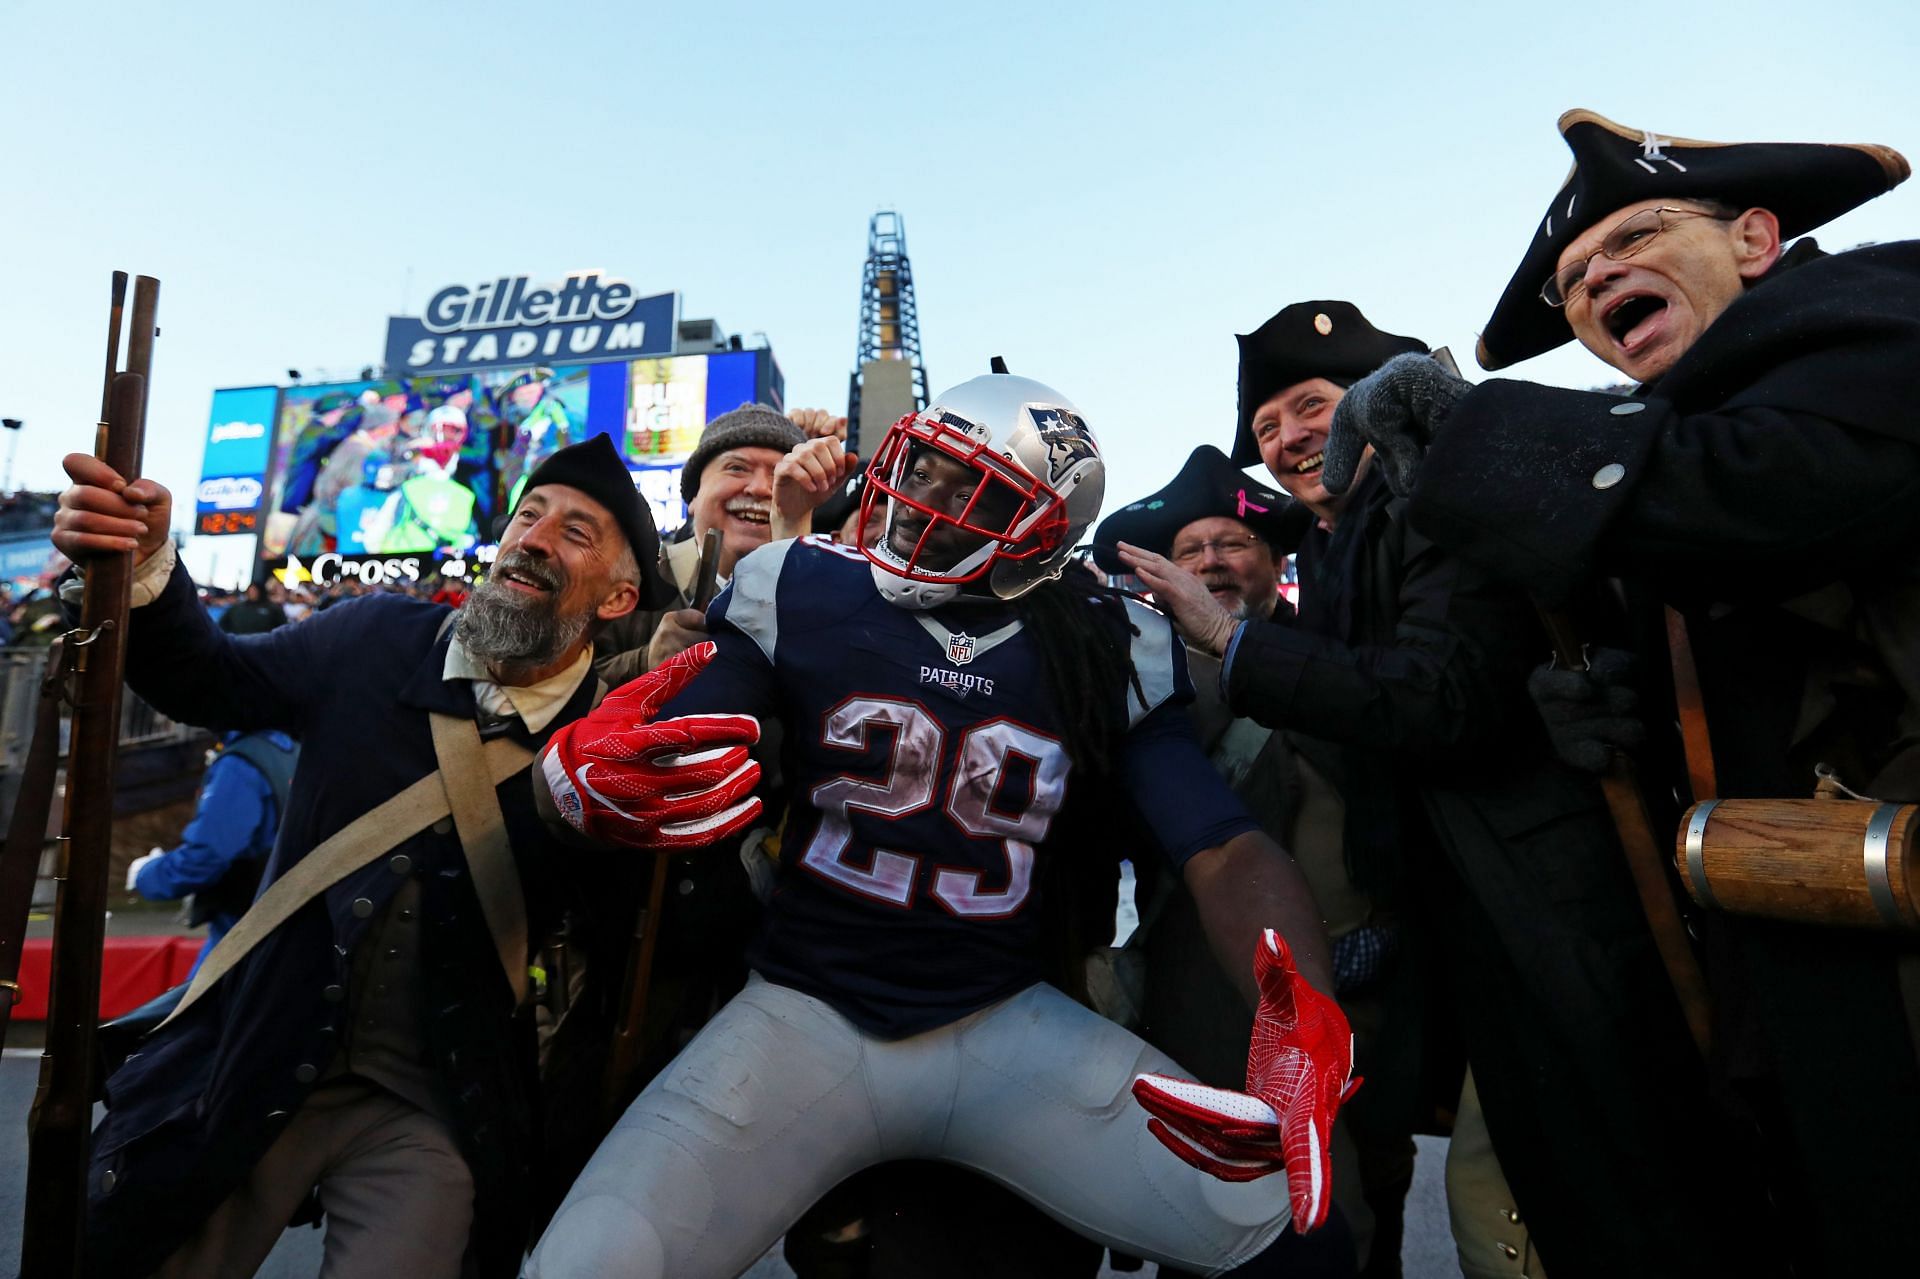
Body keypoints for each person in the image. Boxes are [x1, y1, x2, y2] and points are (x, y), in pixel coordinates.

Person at [525, 370, 1357, 1278]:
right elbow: (692, 729)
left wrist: (1302, 1009)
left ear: (1045, 527)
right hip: (801, 1014)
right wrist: (581, 778)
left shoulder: (1106, 635)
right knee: (590, 1261)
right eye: (922, 468)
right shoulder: (799, 583)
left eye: (971, 490)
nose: (921, 501)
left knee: (1290, 1222)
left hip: (1001, 1020)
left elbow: (1219, 840)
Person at [1324, 109, 1918, 1274]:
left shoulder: (1876, 315)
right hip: (1799, 967)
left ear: (1755, 238)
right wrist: (1607, 709)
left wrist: (1474, 426)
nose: (1600, 280)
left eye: (1638, 236)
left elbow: (1777, 500)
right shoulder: (1673, 429)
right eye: (1576, 280)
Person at [1120, 300, 1765, 1278]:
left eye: (1311, 406)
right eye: (1268, 429)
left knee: (1607, 1185)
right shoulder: (1345, 543)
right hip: (1453, 920)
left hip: (1546, 898)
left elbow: (1442, 694)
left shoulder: (1434, 495)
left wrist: (1234, 641)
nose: (1291, 437)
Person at [54, 432, 688, 1278]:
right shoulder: (371, 635)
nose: (534, 537)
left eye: (576, 531)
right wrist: (144, 568)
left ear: (618, 598)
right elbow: (213, 682)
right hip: (253, 1054)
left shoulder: (610, 735)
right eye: (529, 515)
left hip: (433, 1103)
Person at [1096, 447, 1426, 1277]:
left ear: (1276, 562)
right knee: (1214, 1216)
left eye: (1232, 543)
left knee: (1349, 1215)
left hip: (1357, 990)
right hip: (1200, 991)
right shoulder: (1135, 679)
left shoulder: (1339, 657)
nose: (1211, 560)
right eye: (1190, 549)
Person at [125, 728, 300, 976]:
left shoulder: (241, 765)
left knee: (201, 1009)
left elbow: (205, 858)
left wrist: (147, 874)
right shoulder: (291, 750)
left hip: (241, 933)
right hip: (282, 926)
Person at [217, 581, 287, 634]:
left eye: (254, 590)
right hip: (237, 644)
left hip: (262, 645)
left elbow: (283, 628)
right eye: (250, 590)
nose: (252, 593)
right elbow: (222, 624)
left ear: (260, 591)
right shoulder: (237, 607)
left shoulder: (273, 608)